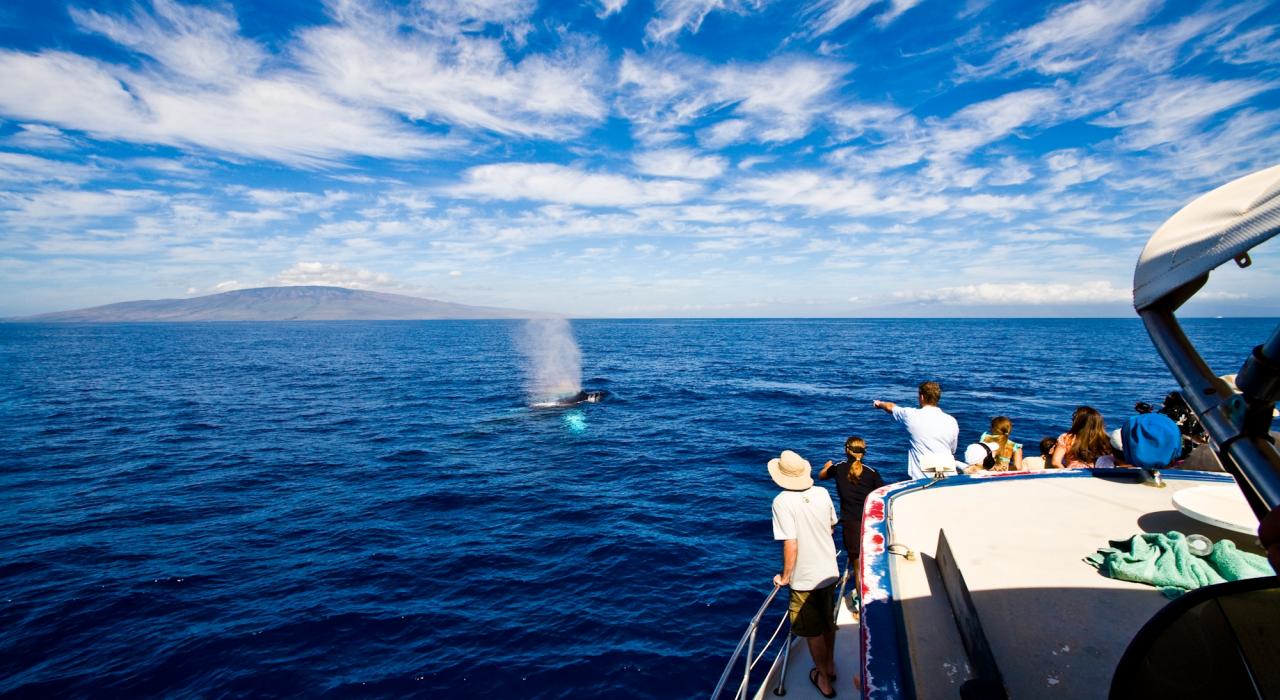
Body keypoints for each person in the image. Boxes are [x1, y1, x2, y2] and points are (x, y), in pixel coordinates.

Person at [768, 450, 840, 698]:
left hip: (805, 578)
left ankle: (823, 679)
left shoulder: (781, 502)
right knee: (827, 621)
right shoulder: (822, 492)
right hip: (829, 569)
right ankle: (830, 666)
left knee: (812, 631)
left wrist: (785, 576)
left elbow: (791, 544)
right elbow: (832, 525)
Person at [819, 436, 884, 604]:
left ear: (846, 450)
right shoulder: (872, 472)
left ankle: (863, 605)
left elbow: (822, 476)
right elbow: (882, 496)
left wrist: (827, 466)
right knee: (872, 564)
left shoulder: (838, 468)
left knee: (858, 567)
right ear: (864, 452)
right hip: (872, 524)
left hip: (851, 526)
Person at [872, 381, 959, 480]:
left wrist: (879, 403)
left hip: (923, 479)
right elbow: (952, 450)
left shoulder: (910, 415)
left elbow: (890, 407)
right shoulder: (951, 421)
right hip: (950, 478)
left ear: (922, 397)